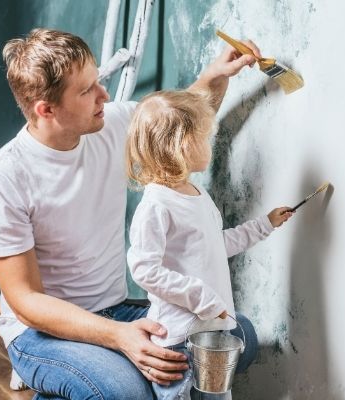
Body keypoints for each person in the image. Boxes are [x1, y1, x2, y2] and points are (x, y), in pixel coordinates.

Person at [0, 28, 262, 399]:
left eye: (98, 82)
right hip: (41, 334)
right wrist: (119, 338)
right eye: (86, 90)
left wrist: (216, 75)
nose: (103, 95)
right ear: (46, 109)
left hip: (117, 309)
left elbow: (178, 121)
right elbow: (26, 302)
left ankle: (98, 378)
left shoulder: (111, 124)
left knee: (237, 340)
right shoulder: (0, 181)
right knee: (127, 393)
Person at [125, 90, 294, 399]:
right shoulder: (156, 205)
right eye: (204, 138)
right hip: (178, 338)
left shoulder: (196, 194)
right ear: (183, 146)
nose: (209, 145)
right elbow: (144, 269)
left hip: (212, 330)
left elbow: (213, 246)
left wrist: (264, 225)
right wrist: (200, 297)